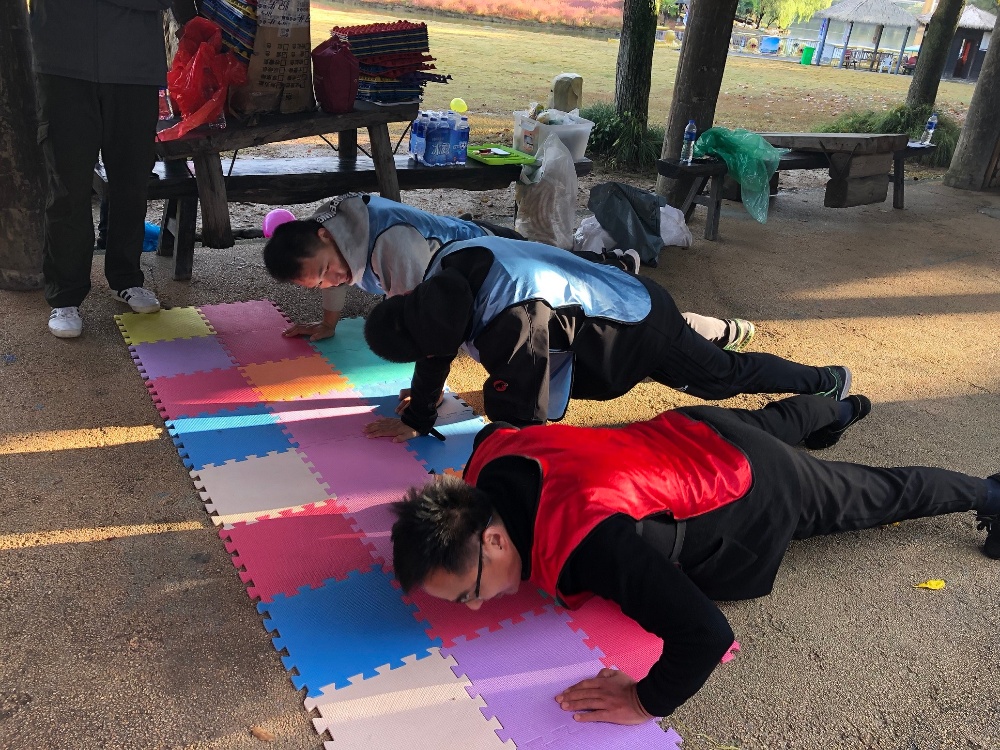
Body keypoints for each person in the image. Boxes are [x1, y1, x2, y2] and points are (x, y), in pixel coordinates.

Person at [389, 394, 1000, 725]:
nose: (474, 609)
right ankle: (839, 407)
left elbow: (706, 634)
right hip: (690, 431)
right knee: (772, 421)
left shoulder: (592, 543)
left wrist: (644, 701)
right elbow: (492, 431)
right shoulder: (490, 462)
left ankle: (988, 492)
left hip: (749, 484)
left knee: (873, 492)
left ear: (495, 542)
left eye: (469, 592)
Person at [361, 235, 851, 441]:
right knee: (702, 357)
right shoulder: (445, 268)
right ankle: (721, 333)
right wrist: (419, 416)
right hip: (607, 293)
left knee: (721, 379)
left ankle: (825, 380)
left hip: (636, 325)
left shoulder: (511, 325)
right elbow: (434, 349)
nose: (438, 357)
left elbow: (523, 425)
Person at [261, 193, 755, 350]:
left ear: (325, 237)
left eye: (326, 272)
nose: (331, 281)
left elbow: (426, 326)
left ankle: (712, 330)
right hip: (488, 262)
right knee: (580, 277)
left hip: (496, 260)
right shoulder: (334, 230)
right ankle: (613, 266)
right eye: (318, 284)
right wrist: (328, 323)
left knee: (608, 307)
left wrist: (424, 397)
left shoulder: (393, 247)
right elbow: (333, 276)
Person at [30, 0, 176, 338]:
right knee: (66, 187)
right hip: (62, 62)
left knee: (132, 182)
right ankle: (65, 296)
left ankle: (126, 279)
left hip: (135, 67)